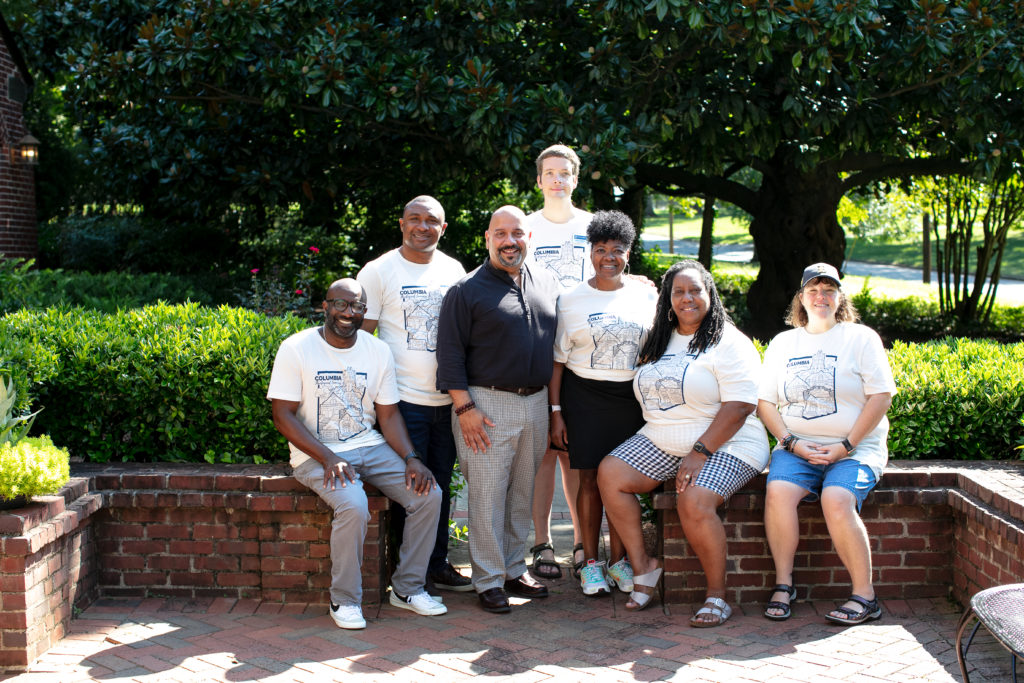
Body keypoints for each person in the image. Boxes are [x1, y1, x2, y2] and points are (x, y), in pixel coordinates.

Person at [267, 278, 446, 630]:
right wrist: (327, 457)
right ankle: (345, 600)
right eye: (341, 304)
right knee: (354, 504)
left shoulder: (376, 350)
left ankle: (408, 589)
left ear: (365, 311)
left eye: (357, 307)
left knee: (429, 495)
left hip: (368, 444)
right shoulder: (297, 348)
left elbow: (389, 414)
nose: (349, 313)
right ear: (325, 306)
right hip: (317, 454)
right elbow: (282, 415)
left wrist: (411, 457)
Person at [598, 260, 769, 627]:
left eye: (695, 290)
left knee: (693, 499)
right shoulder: (659, 336)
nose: (687, 298)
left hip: (728, 441)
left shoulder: (728, 341)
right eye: (678, 291)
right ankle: (645, 566)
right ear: (667, 298)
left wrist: (698, 453)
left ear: (710, 294)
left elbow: (740, 407)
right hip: (663, 436)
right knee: (610, 474)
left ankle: (717, 597)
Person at [436, 205, 560, 614]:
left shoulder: (545, 281)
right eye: (501, 234)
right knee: (487, 496)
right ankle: (487, 580)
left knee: (521, 492)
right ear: (487, 238)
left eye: (518, 233)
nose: (510, 241)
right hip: (485, 403)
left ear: (529, 237)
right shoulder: (466, 290)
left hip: (536, 401)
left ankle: (511, 568)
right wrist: (464, 407)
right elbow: (449, 354)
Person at [758, 263, 896, 625]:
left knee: (837, 500)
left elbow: (881, 396)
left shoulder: (861, 338)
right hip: (797, 448)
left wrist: (846, 446)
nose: (822, 296)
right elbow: (765, 403)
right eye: (814, 290)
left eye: (829, 290)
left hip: (855, 448)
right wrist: (790, 443)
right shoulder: (783, 343)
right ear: (801, 298)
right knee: (778, 493)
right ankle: (784, 585)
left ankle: (865, 597)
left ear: (840, 297)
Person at [357, 195, 472, 594]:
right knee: (412, 488)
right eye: (415, 219)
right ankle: (406, 573)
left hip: (448, 402)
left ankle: (435, 565)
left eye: (431, 221)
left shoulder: (453, 270)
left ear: (443, 228)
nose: (422, 227)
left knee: (439, 487)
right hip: (402, 403)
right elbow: (361, 338)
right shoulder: (379, 271)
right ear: (402, 223)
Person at [548, 210, 657, 596]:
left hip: (631, 401)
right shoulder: (571, 300)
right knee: (591, 479)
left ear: (629, 253)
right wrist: (556, 413)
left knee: (622, 484)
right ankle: (590, 564)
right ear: (589, 253)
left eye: (617, 250)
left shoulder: (647, 295)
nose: (608, 257)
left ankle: (621, 562)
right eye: (600, 249)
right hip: (585, 398)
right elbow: (557, 362)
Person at [524, 144, 592, 580]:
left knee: (577, 455)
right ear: (539, 180)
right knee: (543, 454)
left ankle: (585, 544)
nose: (557, 180)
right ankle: (541, 543)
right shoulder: (525, 227)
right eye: (549, 173)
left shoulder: (593, 225)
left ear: (575, 178)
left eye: (564, 173)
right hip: (537, 347)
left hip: (584, 352)